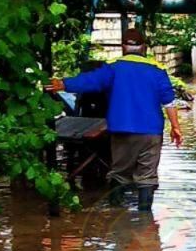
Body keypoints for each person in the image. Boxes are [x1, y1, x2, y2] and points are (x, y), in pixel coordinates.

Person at [47, 28, 182, 212]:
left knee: (119, 173)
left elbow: (89, 81)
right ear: (144, 48)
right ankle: (145, 221)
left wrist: (63, 83)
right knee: (147, 176)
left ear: (123, 47)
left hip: (122, 129)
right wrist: (176, 127)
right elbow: (169, 102)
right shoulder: (157, 71)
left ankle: (114, 217)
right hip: (151, 132)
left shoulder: (112, 69)